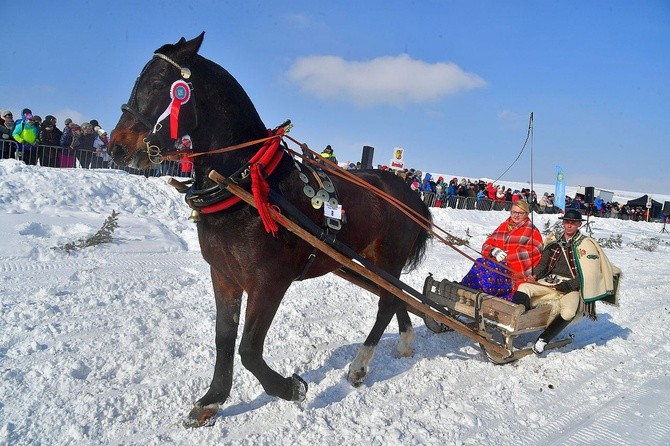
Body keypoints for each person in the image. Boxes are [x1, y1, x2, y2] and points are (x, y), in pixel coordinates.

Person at [510, 209, 620, 354]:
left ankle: (543, 339)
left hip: (572, 286)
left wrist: (568, 286)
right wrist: (535, 275)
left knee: (568, 312)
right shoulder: (554, 240)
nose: (569, 225)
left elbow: (589, 274)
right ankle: (517, 319)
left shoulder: (586, 245)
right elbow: (543, 264)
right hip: (549, 282)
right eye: (567, 222)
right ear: (563, 222)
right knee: (524, 287)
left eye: (573, 223)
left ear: (578, 225)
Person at [461, 200, 543, 300]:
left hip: (513, 273)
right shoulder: (503, 226)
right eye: (514, 212)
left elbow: (533, 254)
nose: (516, 216)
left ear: (526, 214)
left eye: (520, 213)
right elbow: (487, 244)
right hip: (496, 265)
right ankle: (465, 288)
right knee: (480, 262)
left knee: (493, 271)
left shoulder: (532, 231)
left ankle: (479, 293)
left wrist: (507, 258)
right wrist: (493, 250)